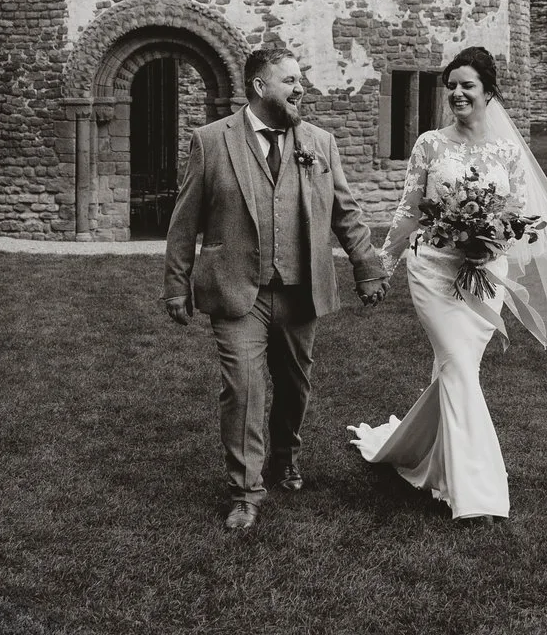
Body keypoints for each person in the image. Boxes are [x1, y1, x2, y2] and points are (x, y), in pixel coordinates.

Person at [350, 46, 547, 520]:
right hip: (433, 272)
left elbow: (518, 215)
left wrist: (490, 243)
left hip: (484, 274)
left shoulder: (508, 151)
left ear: (488, 92)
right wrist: (382, 267)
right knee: (458, 366)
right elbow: (408, 211)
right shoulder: (430, 145)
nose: (456, 93)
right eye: (450, 85)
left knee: (455, 370)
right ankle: (479, 492)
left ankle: (423, 458)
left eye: (466, 85)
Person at [166, 48, 389, 532]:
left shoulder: (319, 142)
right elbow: (184, 221)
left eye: (301, 79)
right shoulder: (211, 141)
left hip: (299, 290)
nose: (300, 87)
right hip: (235, 290)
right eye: (289, 79)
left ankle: (285, 456)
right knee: (242, 389)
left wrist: (366, 267)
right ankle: (246, 491)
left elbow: (344, 213)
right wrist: (175, 284)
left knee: (294, 387)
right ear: (259, 87)